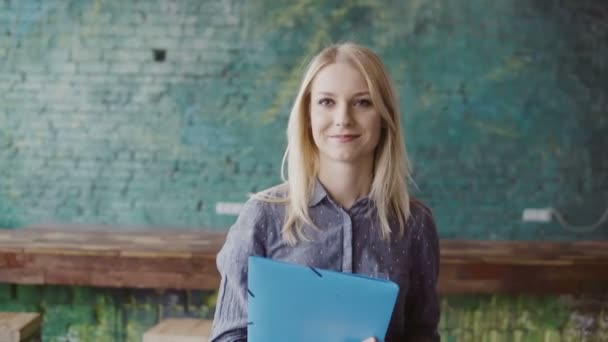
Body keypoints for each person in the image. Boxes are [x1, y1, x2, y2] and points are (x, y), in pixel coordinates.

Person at [210, 42, 440, 342]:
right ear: (307, 115)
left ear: (384, 116)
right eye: (327, 102)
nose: (343, 118)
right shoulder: (262, 216)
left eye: (363, 102)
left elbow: (423, 336)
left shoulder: (415, 224)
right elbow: (227, 337)